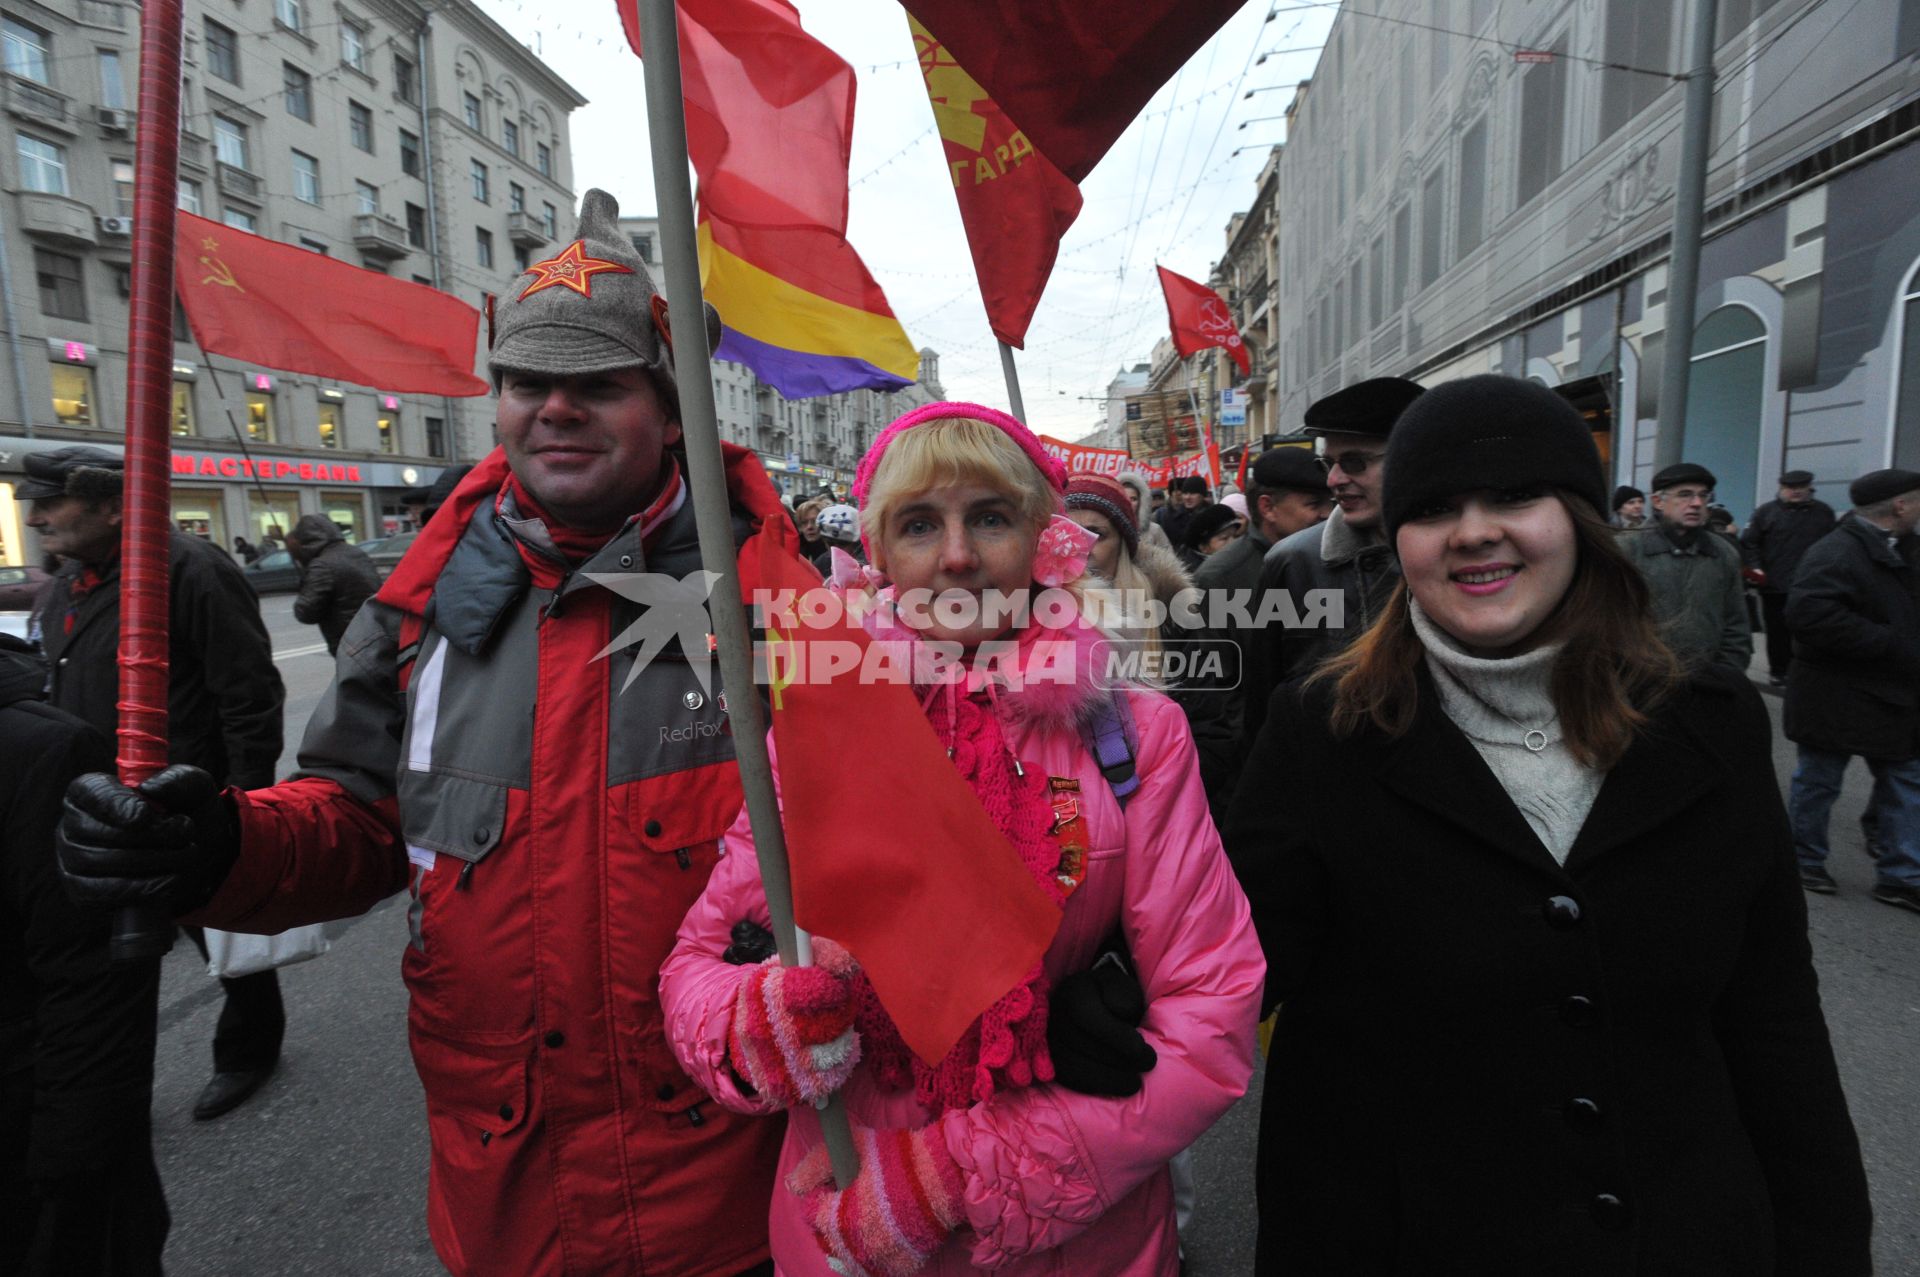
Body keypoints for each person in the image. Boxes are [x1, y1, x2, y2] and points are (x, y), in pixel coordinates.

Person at [55, 189, 794, 1277]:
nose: (556, 408)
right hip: (511, 1202)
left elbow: (909, 851)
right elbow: (354, 821)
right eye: (528, 383)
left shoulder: (792, 606)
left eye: (598, 384)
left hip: (740, 1204)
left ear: (672, 408)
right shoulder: (417, 612)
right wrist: (215, 845)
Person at [1226, 374, 1872, 1274]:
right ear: (1399, 537)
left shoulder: (1710, 720)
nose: (1475, 529)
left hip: (1687, 1231)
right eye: (1435, 506)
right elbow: (1229, 971)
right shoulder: (1323, 731)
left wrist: (1826, 1246)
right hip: (1412, 1234)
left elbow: (1774, 1019)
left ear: (1579, 518)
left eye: (1515, 495)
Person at [660, 402, 1263, 1277]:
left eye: (989, 516)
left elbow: (1212, 1013)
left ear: (1041, 543)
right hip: (842, 1227)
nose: (955, 555)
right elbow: (696, 967)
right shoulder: (814, 732)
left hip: (1080, 1244)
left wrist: (959, 1176)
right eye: (918, 523)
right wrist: (753, 1023)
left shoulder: (1137, 733)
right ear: (877, 554)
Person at [23, 445, 289, 1125]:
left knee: (227, 939)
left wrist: (246, 807)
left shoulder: (188, 567)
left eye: (53, 500)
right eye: (33, 500)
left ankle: (250, 1048)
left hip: (182, 805)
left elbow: (249, 693)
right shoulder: (65, 584)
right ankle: (106, 1089)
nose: (36, 513)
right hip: (95, 807)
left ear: (114, 505)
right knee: (101, 961)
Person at [0, 633, 171, 1275]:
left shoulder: (40, 750)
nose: (40, 522)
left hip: (33, 1137)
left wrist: (74, 1172)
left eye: (49, 517)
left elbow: (91, 981)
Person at [1242, 376, 1425, 749]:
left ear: (1414, 457)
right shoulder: (1293, 563)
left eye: (1354, 462)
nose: (1334, 480)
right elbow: (1261, 711)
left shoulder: (1460, 552)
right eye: (1329, 463)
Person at [1782, 468, 1920, 911]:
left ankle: (1901, 876)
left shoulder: (1908, 548)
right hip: (1834, 695)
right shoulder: (1836, 552)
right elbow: (1810, 615)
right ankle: (1804, 859)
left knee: (1905, 781)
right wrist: (1891, 642)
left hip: (1893, 694)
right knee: (1819, 782)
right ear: (1900, 505)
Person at [1065, 472, 1237, 820]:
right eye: (1068, 533)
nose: (1081, 546)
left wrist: (1155, 797)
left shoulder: (1174, 619)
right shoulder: (1025, 624)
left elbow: (1216, 732)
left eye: (1096, 534)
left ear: (1124, 545)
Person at [1620, 462, 1752, 672]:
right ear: (1658, 502)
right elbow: (1605, 622)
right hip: (1640, 683)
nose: (1697, 503)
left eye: (1704, 495)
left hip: (1707, 684)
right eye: (1685, 495)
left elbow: (1736, 625)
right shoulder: (1626, 550)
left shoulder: (1723, 554)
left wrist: (1727, 674)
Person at [1743, 469, 1837, 686]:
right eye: (1790, 488)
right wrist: (1756, 569)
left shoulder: (1823, 513)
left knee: (1811, 630)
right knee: (1778, 631)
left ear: (1809, 488)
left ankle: (1808, 671)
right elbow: (1749, 543)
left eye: (1800, 487)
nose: (1795, 492)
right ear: (1781, 488)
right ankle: (1779, 670)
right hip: (1775, 585)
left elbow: (1834, 546)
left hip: (1814, 585)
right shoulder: (1765, 513)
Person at [285, 514, 381, 656]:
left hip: (349, 643)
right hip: (376, 633)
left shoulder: (322, 565)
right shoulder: (356, 552)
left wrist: (304, 577)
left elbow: (305, 612)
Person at [1176, 501, 1243, 572]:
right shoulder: (1197, 576)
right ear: (1203, 548)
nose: (1233, 542)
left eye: (1235, 535)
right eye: (1224, 538)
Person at [1116, 471, 1174, 553]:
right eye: (1124, 497)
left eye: (1133, 499)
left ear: (1141, 501)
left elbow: (1171, 561)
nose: (1128, 502)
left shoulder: (1155, 530)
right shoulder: (1111, 531)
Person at [1152, 474, 1209, 547]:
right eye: (1185, 493)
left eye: (1193, 493)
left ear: (1202, 495)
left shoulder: (1213, 516)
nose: (1188, 497)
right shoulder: (1168, 517)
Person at [810, 502, 863, 574]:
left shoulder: (868, 563)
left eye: (842, 543)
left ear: (856, 544)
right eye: (830, 543)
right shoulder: (821, 564)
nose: (835, 549)